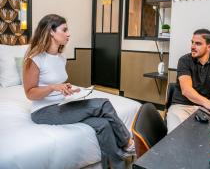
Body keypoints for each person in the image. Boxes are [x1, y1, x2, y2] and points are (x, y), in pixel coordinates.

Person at [23, 14, 134, 169]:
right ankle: (128, 143)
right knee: (103, 104)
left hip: (61, 104)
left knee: (103, 124)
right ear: (51, 32)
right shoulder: (34, 59)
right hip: (43, 111)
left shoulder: (61, 58)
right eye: (64, 30)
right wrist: (52, 87)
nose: (68, 34)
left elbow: (57, 84)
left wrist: (67, 89)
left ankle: (116, 166)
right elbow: (30, 93)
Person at [167, 29, 210, 133]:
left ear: (209, 46)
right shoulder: (184, 60)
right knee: (176, 136)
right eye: (192, 42)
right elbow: (186, 90)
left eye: (198, 43)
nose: (192, 46)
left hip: (204, 108)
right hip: (181, 106)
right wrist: (208, 103)